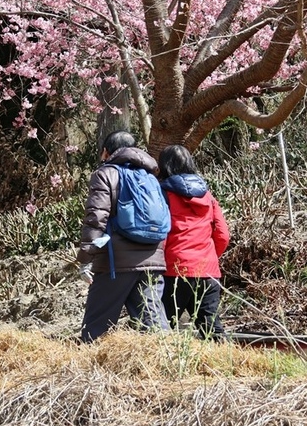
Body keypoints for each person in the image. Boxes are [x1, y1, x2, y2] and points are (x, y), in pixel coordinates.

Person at [76, 131, 170, 342]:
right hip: (152, 259)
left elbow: (96, 218)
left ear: (105, 152)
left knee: (97, 325)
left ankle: (89, 368)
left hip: (115, 261)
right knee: (154, 323)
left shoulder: (106, 173)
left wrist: (85, 259)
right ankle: (169, 365)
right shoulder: (151, 177)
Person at [158, 145, 231, 341]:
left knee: (162, 327)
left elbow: (160, 234)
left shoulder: (162, 196)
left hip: (175, 270)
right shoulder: (208, 196)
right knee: (212, 328)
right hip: (207, 271)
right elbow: (223, 234)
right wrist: (210, 257)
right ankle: (226, 365)